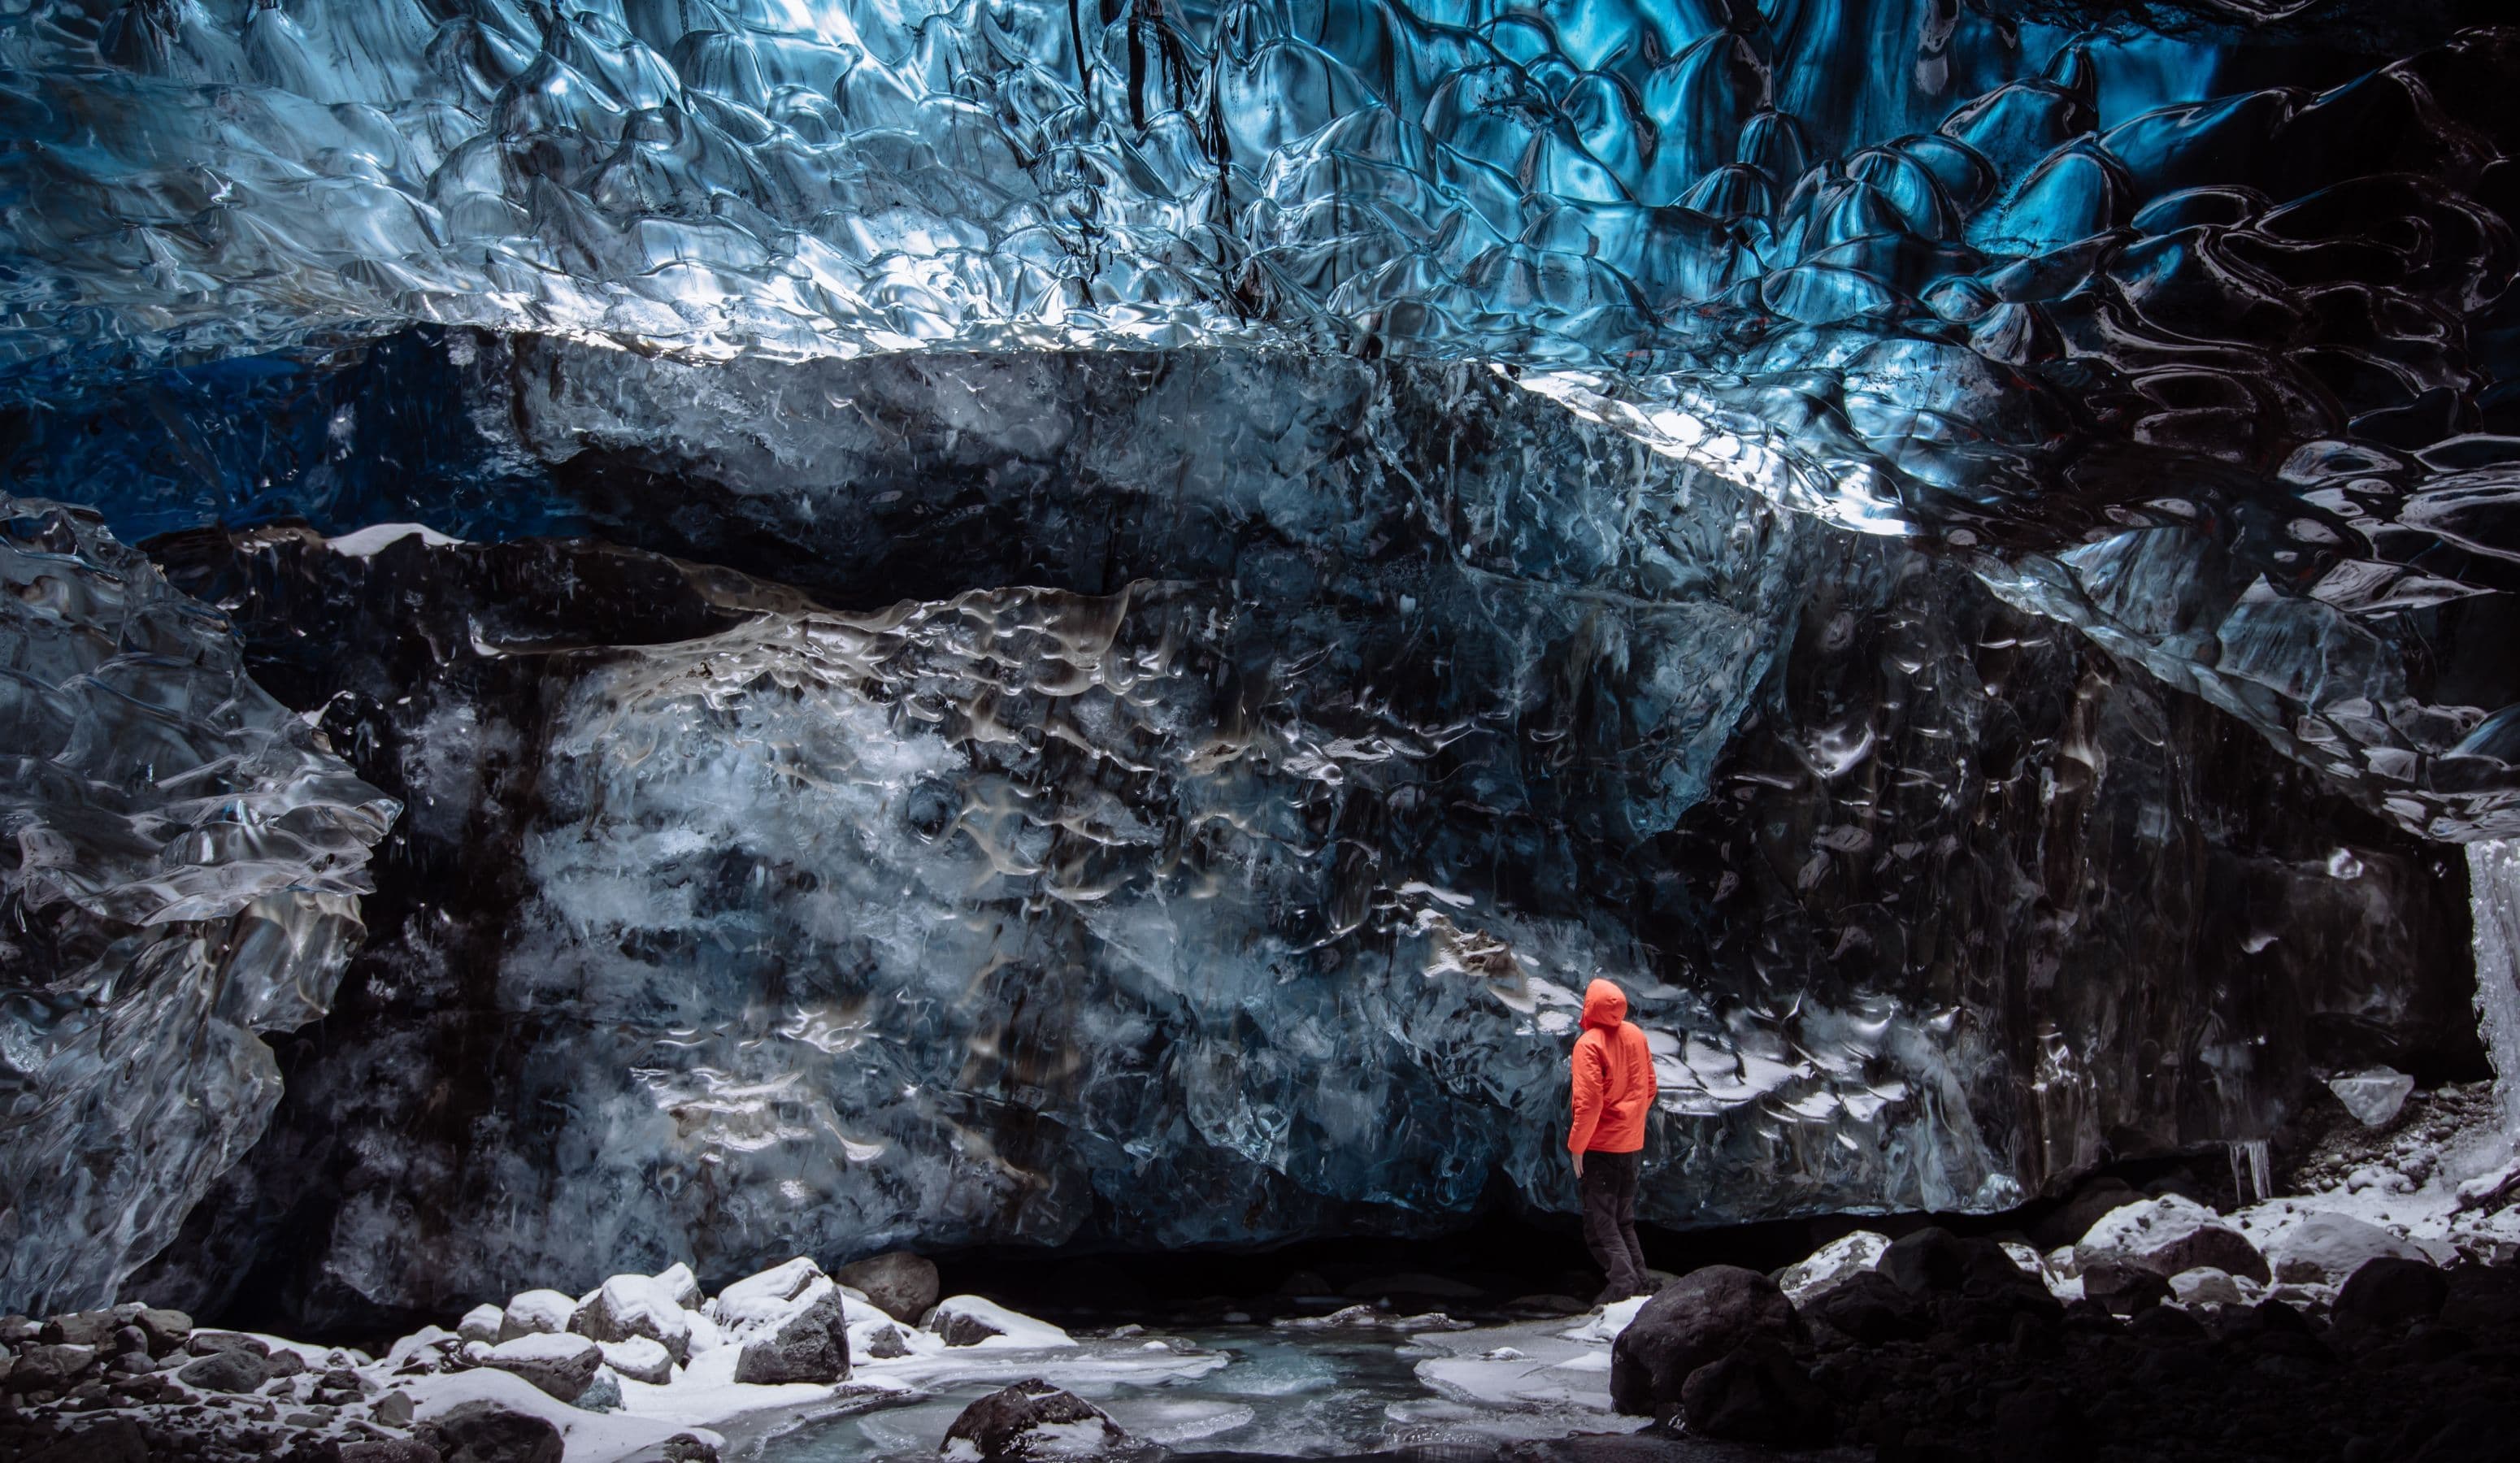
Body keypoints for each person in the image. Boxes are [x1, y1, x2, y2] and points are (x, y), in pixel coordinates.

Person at [1567, 976, 1657, 1305]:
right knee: (1624, 1219)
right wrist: (1630, 1123)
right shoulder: (1636, 1035)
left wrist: (1578, 1147)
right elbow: (1650, 1086)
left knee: (1600, 1226)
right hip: (1631, 1146)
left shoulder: (1588, 1044)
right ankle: (1642, 1283)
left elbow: (1589, 1104)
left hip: (1600, 1148)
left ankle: (1624, 1287)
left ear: (1589, 1007)